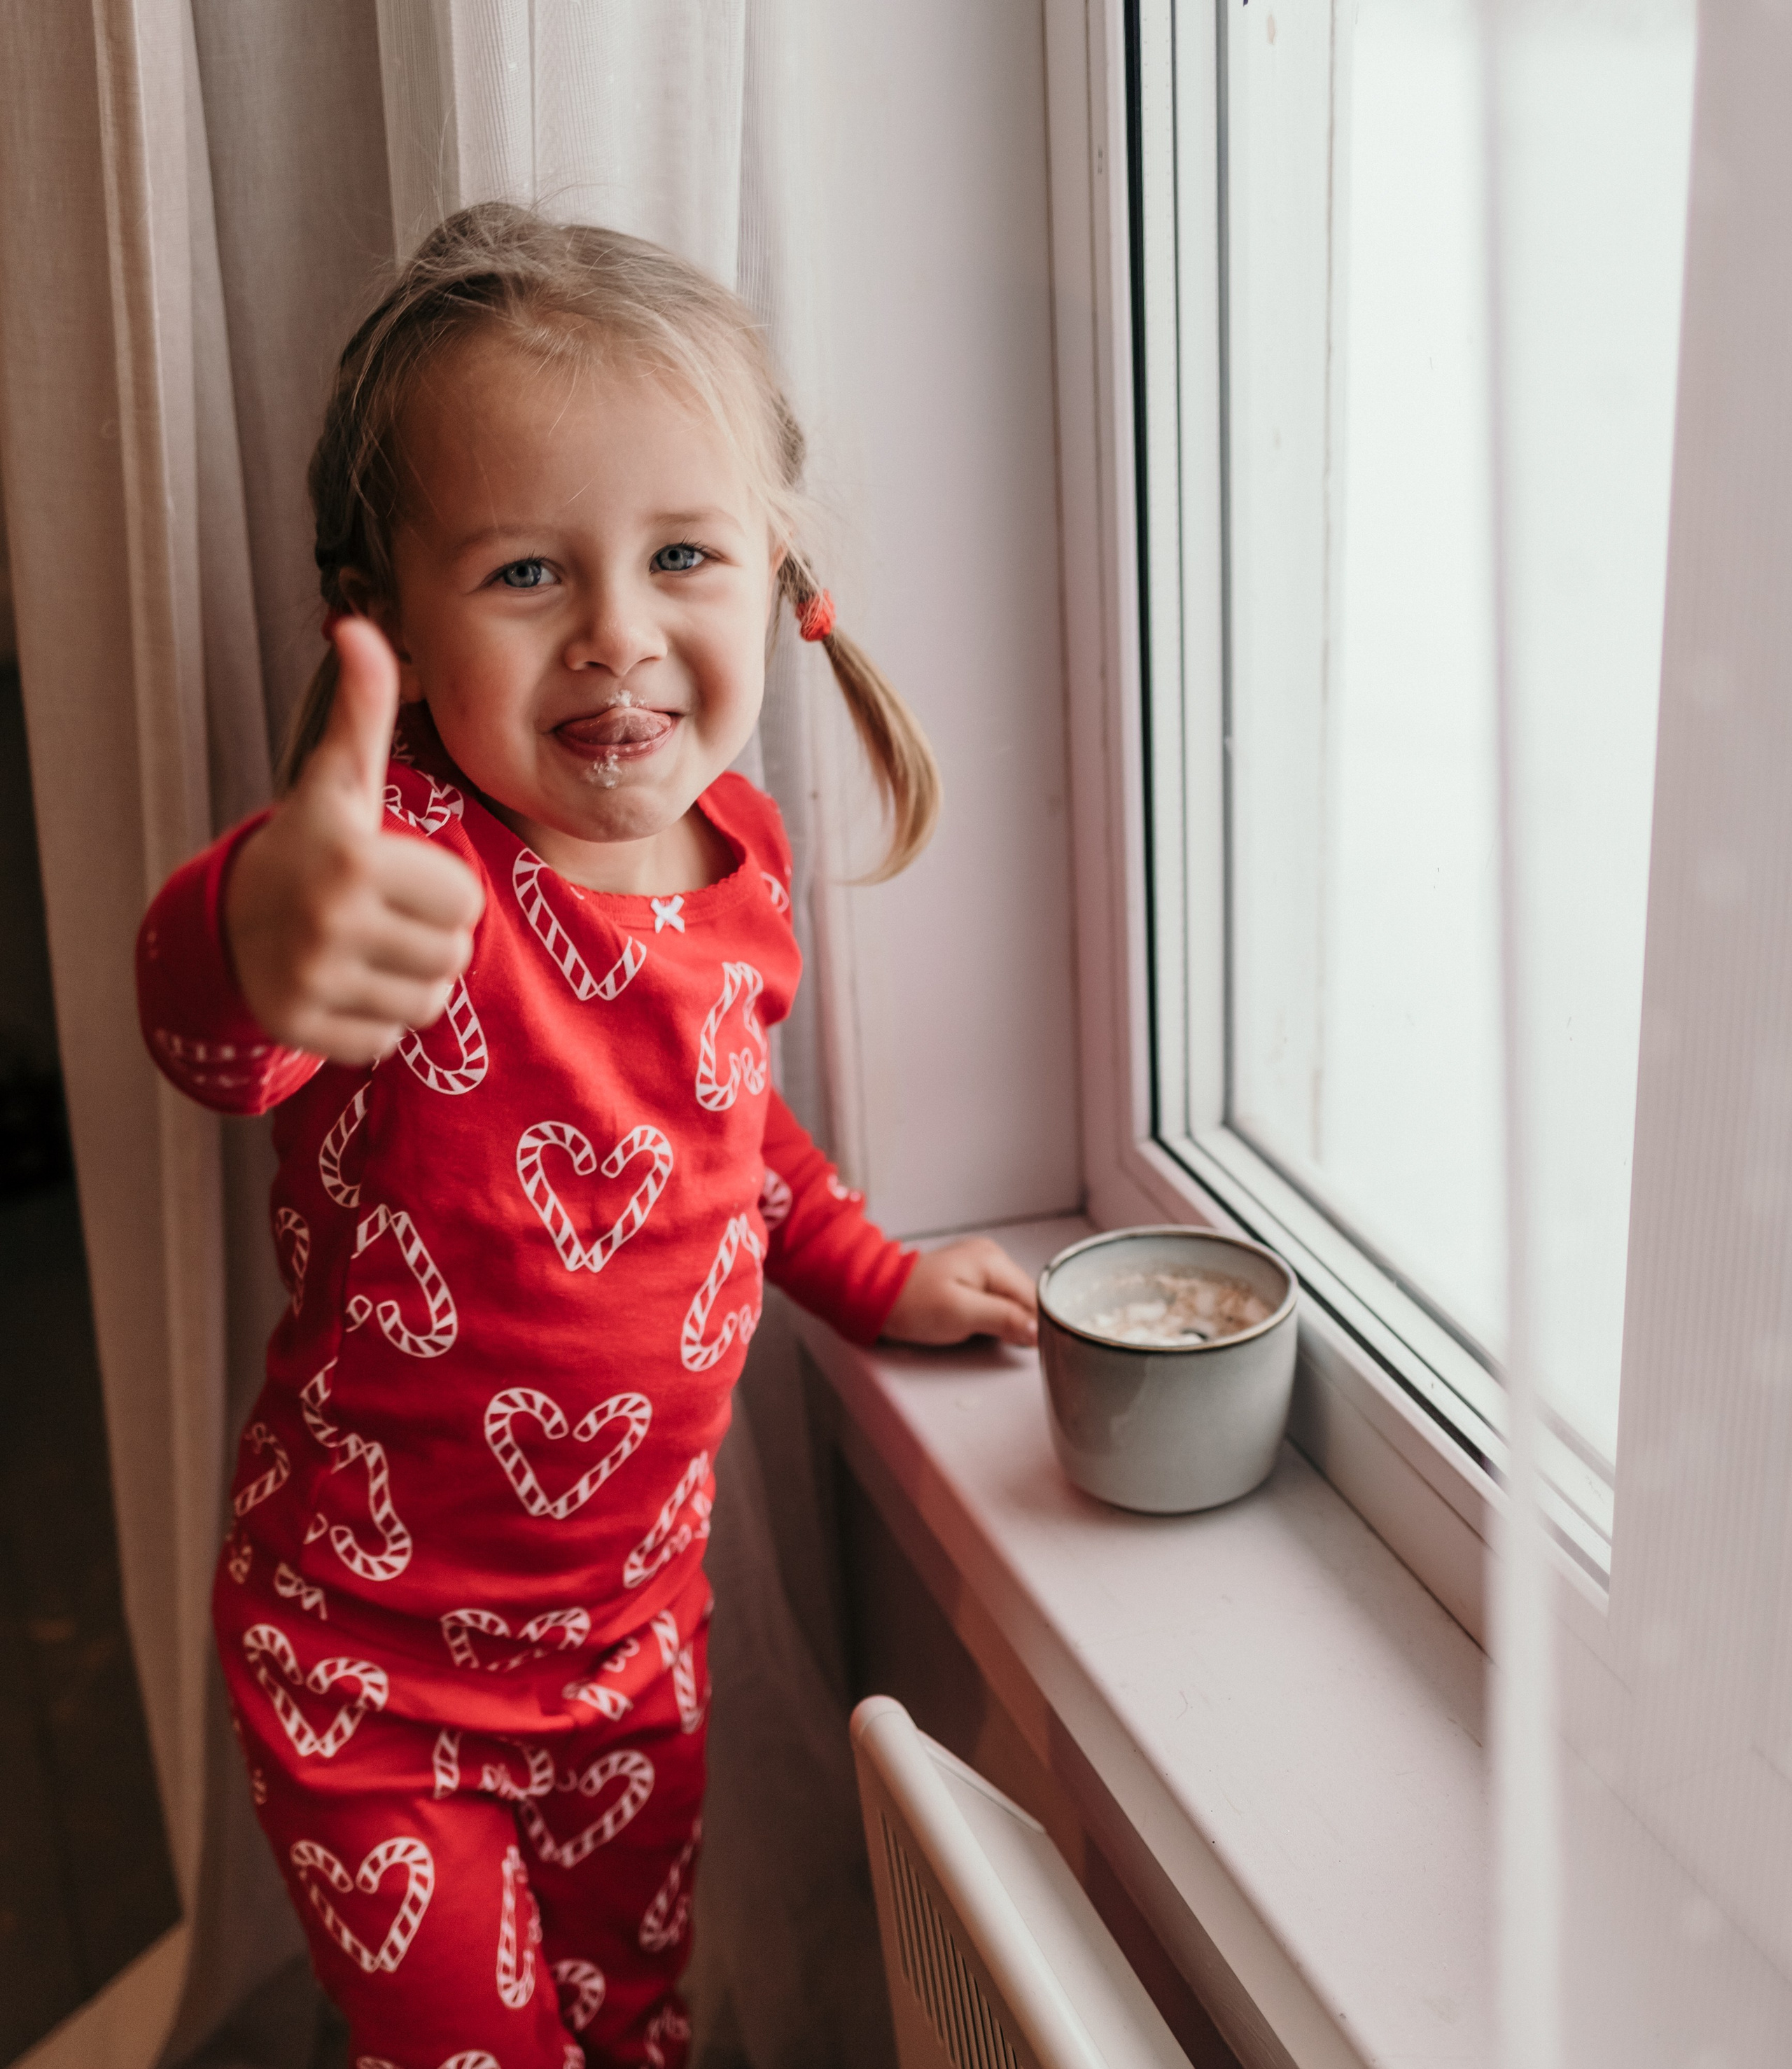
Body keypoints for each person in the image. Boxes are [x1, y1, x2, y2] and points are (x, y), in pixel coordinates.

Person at [136, 202, 1037, 2069]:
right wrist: (249, 929)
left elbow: (736, 1139)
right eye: (530, 571)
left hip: (633, 1651)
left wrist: (870, 1272)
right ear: (386, 620)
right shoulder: (397, 871)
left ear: (782, 575)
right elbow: (214, 1033)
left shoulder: (746, 863)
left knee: (635, 2021)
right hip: (363, 1676)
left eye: (682, 553)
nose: (619, 635)